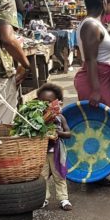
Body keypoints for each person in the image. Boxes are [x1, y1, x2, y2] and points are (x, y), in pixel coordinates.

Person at [76, 0, 110, 133]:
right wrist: (96, 90)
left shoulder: (94, 23)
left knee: (106, 127)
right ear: (103, 3)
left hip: (103, 77)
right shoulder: (91, 25)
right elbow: (91, 59)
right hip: (97, 80)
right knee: (99, 129)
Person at [37, 83, 72, 211]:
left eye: (49, 102)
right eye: (41, 102)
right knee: (42, 176)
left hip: (56, 151)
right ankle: (44, 199)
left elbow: (69, 134)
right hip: (41, 152)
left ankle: (63, 199)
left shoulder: (60, 118)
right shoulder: (36, 118)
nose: (45, 105)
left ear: (57, 102)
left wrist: (59, 133)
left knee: (59, 175)